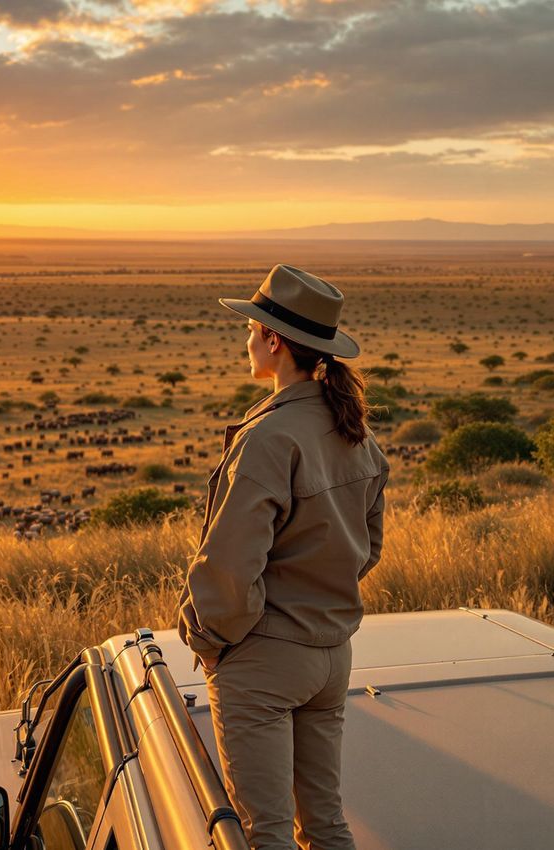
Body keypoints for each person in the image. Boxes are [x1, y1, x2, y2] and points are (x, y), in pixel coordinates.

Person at [177, 264, 390, 850]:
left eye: (251, 329)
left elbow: (230, 564)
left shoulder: (269, 437)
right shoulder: (355, 432)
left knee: (262, 833)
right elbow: (366, 548)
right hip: (331, 655)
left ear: (273, 341)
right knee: (325, 826)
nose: (245, 339)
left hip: (265, 660)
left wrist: (210, 641)